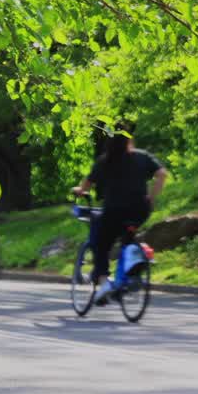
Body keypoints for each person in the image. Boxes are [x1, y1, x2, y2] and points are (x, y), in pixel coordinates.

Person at [72, 124, 167, 304]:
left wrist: (79, 190)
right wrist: (151, 197)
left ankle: (104, 282)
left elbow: (86, 185)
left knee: (101, 244)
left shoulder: (105, 161)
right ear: (130, 139)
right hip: (140, 209)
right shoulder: (142, 157)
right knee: (128, 237)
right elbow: (162, 174)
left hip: (114, 211)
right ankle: (130, 273)